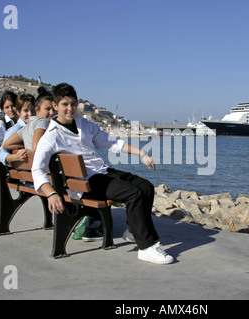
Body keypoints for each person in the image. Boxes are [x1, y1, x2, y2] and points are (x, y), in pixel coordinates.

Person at [31, 83, 174, 264]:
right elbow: (37, 169)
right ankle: (146, 247)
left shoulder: (83, 124)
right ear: (55, 105)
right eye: (65, 104)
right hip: (84, 183)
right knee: (134, 193)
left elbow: (110, 142)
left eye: (73, 104)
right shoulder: (51, 136)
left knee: (145, 187)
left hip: (101, 173)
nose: (70, 108)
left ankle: (133, 231)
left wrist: (142, 153)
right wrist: (51, 193)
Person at [0, 93, 35, 165]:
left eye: (32, 110)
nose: (30, 114)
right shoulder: (15, 129)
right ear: (18, 112)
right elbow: (1, 153)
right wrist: (16, 157)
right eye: (26, 110)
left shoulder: (35, 127)